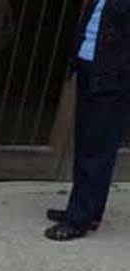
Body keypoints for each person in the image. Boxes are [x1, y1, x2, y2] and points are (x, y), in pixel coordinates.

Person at [45, 0, 130, 241]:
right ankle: (87, 209)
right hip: (91, 68)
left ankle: (78, 219)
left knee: (97, 148)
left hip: (113, 76)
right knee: (87, 142)